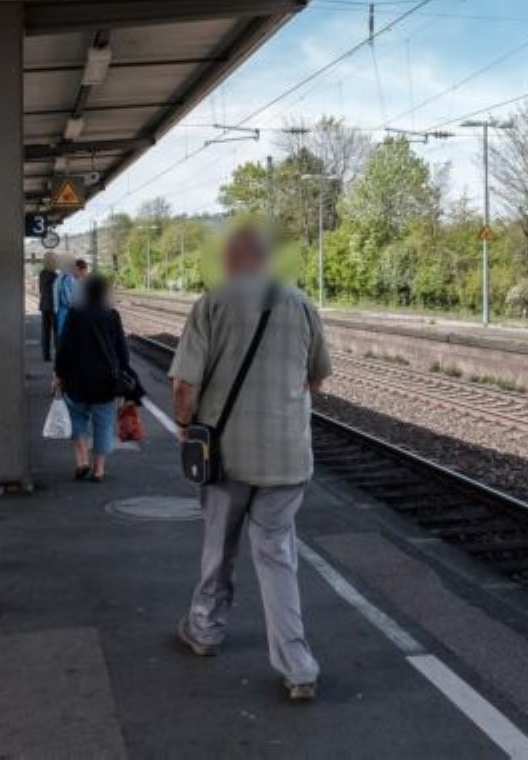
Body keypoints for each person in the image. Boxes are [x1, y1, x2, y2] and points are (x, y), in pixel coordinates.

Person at [170, 226, 331, 701]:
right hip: (288, 459)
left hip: (227, 457)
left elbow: (184, 385)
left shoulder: (212, 303)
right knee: (277, 557)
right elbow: (317, 380)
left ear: (231, 259)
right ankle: (298, 668)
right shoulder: (302, 304)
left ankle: (205, 630)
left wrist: (184, 425)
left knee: (219, 548)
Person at [53, 274, 130, 483]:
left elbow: (64, 349)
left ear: (85, 292)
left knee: (77, 418)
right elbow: (121, 350)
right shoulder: (112, 315)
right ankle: (98, 470)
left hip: (76, 378)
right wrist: (124, 374)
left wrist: (59, 374)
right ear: (104, 293)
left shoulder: (74, 314)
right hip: (105, 380)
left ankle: (81, 461)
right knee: (103, 423)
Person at [53, 257, 88, 338]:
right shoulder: (64, 280)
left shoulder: (81, 281)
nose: (83, 275)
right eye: (83, 272)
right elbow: (69, 300)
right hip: (66, 313)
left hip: (76, 312)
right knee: (65, 336)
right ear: (77, 269)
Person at [38, 252, 58, 362]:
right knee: (56, 331)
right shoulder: (54, 275)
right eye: (55, 260)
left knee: (45, 331)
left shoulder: (42, 274)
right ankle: (58, 354)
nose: (56, 262)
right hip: (54, 306)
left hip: (44, 305)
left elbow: (41, 290)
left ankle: (46, 355)